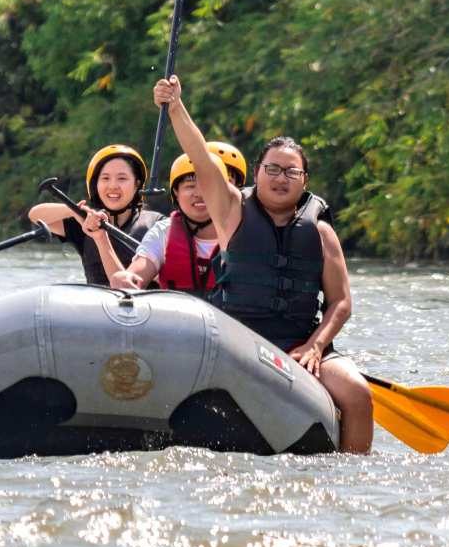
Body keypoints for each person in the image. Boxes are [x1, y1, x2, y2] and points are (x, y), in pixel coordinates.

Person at [148, 75, 373, 453]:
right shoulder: (231, 211)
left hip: (299, 342)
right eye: (272, 169)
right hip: (239, 339)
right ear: (257, 173)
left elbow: (341, 303)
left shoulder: (320, 232)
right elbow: (201, 156)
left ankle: (352, 473)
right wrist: (175, 107)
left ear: (304, 181)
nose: (281, 178)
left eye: (291, 172)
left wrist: (315, 347)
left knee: (357, 393)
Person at [111, 146, 245, 294]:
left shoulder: (248, 230)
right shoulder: (163, 232)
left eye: (207, 186)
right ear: (176, 192)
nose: (199, 194)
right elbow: (138, 271)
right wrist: (125, 278)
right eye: (190, 186)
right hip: (178, 308)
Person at [28, 144, 163, 287]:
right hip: (96, 300)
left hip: (141, 298)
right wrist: (73, 210)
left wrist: (101, 237)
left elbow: (127, 289)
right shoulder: (84, 222)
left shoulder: (158, 226)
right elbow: (35, 215)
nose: (113, 186)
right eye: (105, 178)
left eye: (122, 178)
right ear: (95, 184)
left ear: (137, 184)